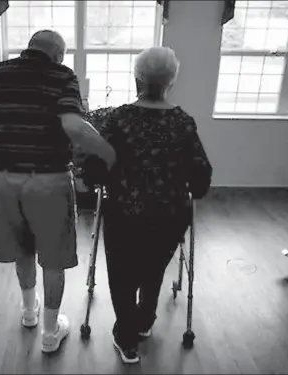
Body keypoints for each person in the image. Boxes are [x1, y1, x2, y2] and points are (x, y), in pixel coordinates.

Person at [0, 30, 116, 354]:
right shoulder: (61, 75)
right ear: (58, 54)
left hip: (0, 178)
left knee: (22, 248)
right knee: (53, 258)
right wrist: (110, 154)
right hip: (46, 181)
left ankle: (28, 312)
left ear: (29, 48)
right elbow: (74, 126)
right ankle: (50, 334)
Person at [96, 46, 213, 364]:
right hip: (170, 214)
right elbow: (201, 176)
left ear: (137, 78)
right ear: (171, 81)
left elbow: (95, 170)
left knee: (123, 276)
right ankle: (145, 321)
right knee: (153, 267)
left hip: (124, 212)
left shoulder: (118, 118)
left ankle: (127, 338)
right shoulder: (182, 122)